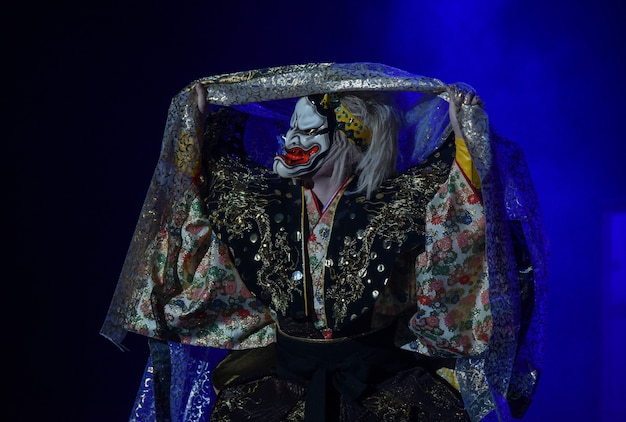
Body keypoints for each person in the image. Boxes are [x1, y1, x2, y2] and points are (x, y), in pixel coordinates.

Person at [101, 62, 547, 421]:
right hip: (280, 388)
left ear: (348, 142)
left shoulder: (393, 205)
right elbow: (202, 195)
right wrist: (192, 132)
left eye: (309, 131)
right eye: (291, 130)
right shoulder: (261, 203)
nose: (291, 140)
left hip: (382, 386)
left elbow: (455, 213)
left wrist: (467, 139)